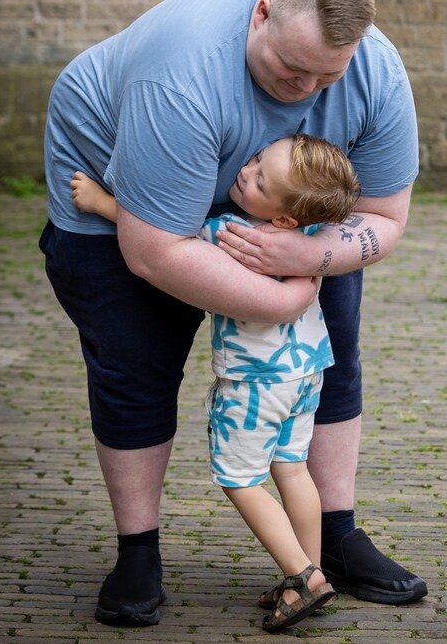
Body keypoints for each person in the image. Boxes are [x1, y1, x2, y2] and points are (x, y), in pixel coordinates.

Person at [40, 0, 427, 628]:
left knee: (333, 357)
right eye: (292, 69)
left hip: (285, 219)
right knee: (135, 363)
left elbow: (385, 217)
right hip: (126, 200)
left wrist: (308, 256)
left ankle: (334, 538)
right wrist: (284, 299)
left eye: (326, 78)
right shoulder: (181, 71)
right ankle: (138, 550)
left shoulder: (376, 72)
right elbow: (152, 250)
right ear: (261, 15)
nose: (305, 91)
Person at [71, 134, 360, 631]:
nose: (245, 173)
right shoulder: (311, 235)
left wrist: (101, 203)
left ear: (283, 218)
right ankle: (310, 575)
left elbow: (157, 233)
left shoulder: (232, 232)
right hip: (307, 372)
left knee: (239, 479)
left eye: (261, 181)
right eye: (255, 161)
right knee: (292, 470)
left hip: (255, 384)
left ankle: (303, 577)